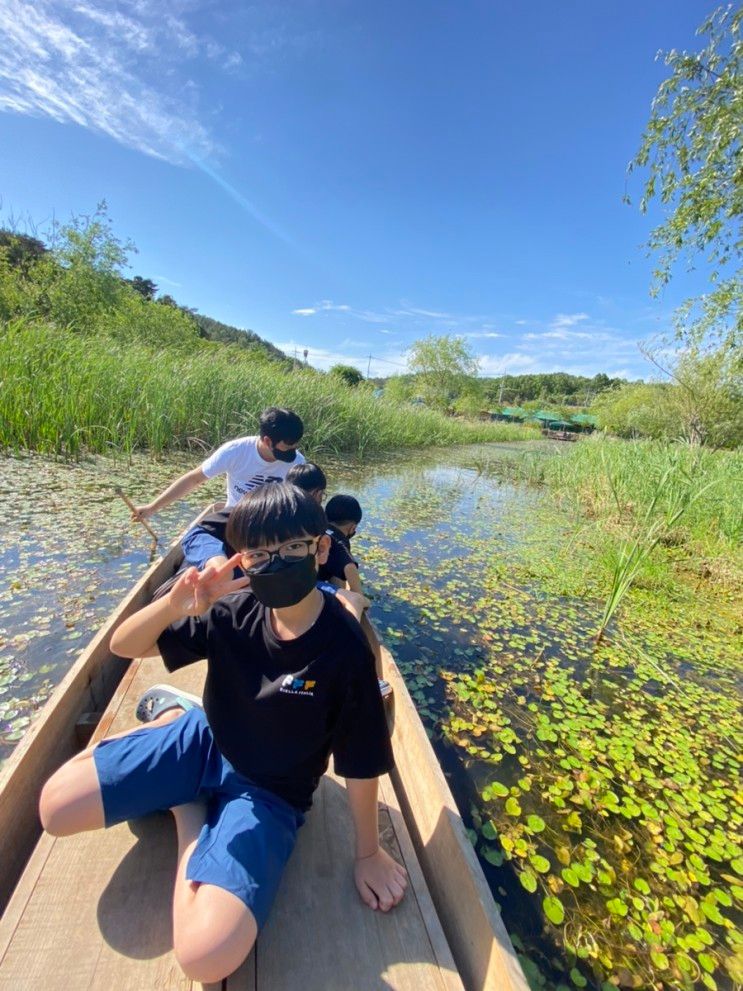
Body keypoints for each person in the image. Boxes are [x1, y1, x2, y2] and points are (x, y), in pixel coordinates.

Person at [38, 484, 407, 984]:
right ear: (243, 558)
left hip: (271, 790)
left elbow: (363, 759)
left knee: (205, 957)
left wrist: (368, 853)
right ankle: (172, 722)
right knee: (54, 809)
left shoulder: (345, 649)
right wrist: (176, 604)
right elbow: (124, 646)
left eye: (292, 549)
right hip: (206, 740)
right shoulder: (233, 611)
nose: (274, 563)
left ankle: (186, 810)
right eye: (259, 553)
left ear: (320, 550)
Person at [132, 407, 305, 521]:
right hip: (235, 517)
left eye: (295, 445)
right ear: (267, 441)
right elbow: (194, 479)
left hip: (271, 522)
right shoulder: (235, 451)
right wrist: (152, 507)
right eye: (287, 446)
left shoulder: (297, 462)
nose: (293, 451)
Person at [180, 462, 327, 573]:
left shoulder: (314, 522)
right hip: (239, 578)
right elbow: (196, 534)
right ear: (317, 494)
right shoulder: (260, 510)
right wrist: (218, 564)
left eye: (294, 546)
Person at [321, 494, 384, 679]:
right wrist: (363, 599)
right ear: (352, 527)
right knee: (358, 601)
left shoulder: (316, 528)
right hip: (312, 588)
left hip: (301, 583)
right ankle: (342, 650)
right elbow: (357, 593)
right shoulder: (341, 544)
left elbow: (334, 574)